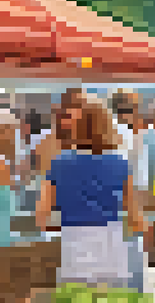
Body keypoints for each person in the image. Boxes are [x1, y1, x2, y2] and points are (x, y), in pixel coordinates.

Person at [38, 93, 144, 288]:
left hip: (73, 244)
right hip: (110, 246)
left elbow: (41, 216)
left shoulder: (58, 164)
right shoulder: (120, 165)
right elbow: (136, 219)